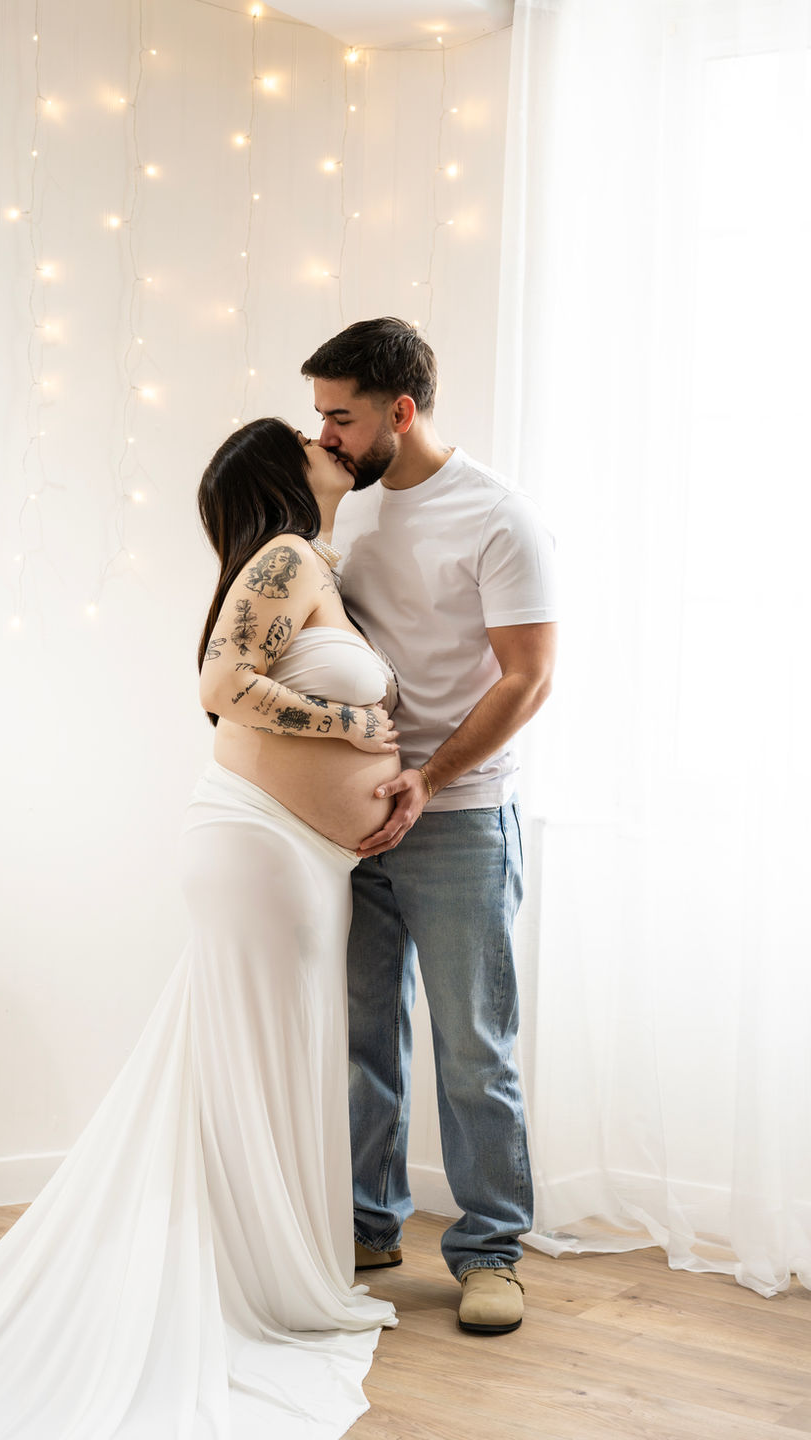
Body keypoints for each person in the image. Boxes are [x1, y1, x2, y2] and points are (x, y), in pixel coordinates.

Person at [0, 418, 400, 1439]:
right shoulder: (285, 554)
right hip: (261, 844)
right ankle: (254, 1281)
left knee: (258, 1055)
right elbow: (222, 687)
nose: (326, 438)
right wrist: (351, 726)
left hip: (300, 859)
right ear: (278, 473)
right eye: (305, 435)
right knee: (255, 1053)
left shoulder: (314, 566)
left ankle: (261, 1265)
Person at [300, 317, 558, 1336]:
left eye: (341, 417)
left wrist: (429, 777)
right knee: (362, 1038)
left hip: (460, 819)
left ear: (400, 412)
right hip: (354, 818)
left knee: (472, 1050)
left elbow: (529, 676)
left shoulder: (499, 516)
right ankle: (368, 1225)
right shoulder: (343, 507)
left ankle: (490, 1254)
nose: (323, 435)